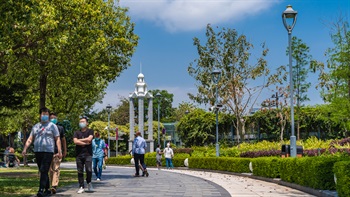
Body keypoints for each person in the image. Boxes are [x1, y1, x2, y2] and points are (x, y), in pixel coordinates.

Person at [22, 107, 62, 197]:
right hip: (38, 151)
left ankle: (41, 190)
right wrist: (25, 148)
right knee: (42, 170)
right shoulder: (36, 126)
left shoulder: (52, 126)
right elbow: (30, 139)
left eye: (46, 114)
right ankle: (47, 189)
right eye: (43, 114)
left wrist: (59, 151)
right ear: (40, 115)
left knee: (44, 169)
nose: (45, 116)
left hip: (48, 151)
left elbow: (57, 139)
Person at [73, 117, 94, 194]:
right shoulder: (76, 132)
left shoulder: (90, 131)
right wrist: (85, 143)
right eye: (80, 122)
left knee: (89, 170)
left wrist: (79, 140)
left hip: (88, 154)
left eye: (83, 121)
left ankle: (89, 182)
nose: (81, 123)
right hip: (79, 154)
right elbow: (75, 141)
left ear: (87, 123)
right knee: (80, 171)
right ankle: (81, 186)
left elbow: (89, 139)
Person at [49, 112, 67, 194]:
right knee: (50, 170)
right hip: (48, 152)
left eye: (54, 118)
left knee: (56, 169)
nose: (53, 119)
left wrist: (64, 150)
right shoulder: (46, 128)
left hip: (57, 152)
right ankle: (50, 185)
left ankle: (54, 186)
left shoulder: (60, 128)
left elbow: (63, 140)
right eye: (51, 117)